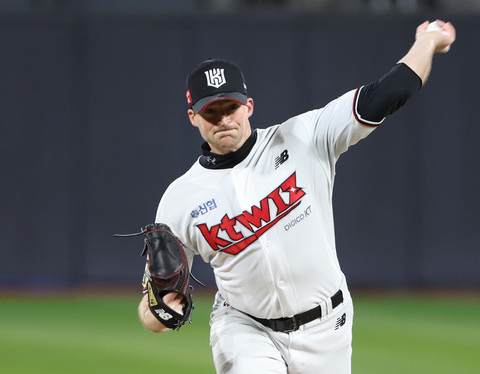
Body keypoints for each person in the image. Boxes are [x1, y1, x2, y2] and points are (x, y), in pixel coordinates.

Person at [137, 19, 456, 374]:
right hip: (245, 329)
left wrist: (427, 42)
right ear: (193, 117)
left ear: (249, 106)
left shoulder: (305, 136)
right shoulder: (180, 199)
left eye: (230, 107)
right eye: (211, 111)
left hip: (328, 326)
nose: (223, 119)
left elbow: (391, 91)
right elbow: (153, 309)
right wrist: (161, 309)